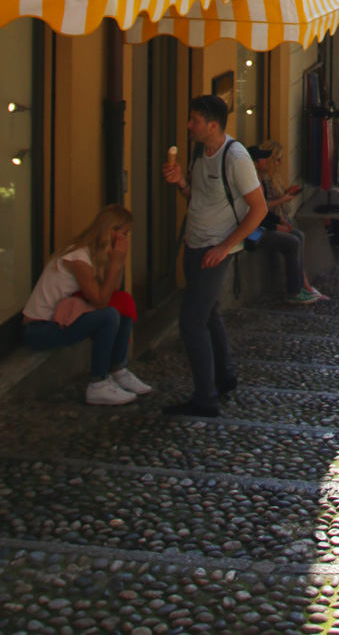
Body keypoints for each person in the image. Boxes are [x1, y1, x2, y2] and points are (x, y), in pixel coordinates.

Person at [162, 94, 268, 418]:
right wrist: (181, 181)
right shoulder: (199, 150)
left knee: (191, 322)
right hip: (194, 244)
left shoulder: (235, 157)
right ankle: (225, 376)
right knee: (209, 314)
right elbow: (198, 196)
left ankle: (205, 398)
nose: (189, 125)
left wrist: (224, 247)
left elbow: (259, 208)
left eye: (194, 120)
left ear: (212, 125)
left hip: (214, 250)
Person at [21, 204, 150, 406]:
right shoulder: (78, 258)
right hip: (38, 330)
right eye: (122, 233)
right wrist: (115, 262)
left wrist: (118, 259)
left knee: (123, 302)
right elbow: (100, 302)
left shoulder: (93, 253)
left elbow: (114, 289)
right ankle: (97, 384)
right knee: (108, 315)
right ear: (110, 231)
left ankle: (118, 370)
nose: (124, 239)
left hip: (57, 320)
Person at [248, 145, 324, 303]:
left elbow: (263, 210)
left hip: (264, 225)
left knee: (299, 235)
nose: (267, 160)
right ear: (254, 163)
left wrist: (280, 221)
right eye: (263, 158)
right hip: (253, 232)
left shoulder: (260, 179)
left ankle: (301, 285)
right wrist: (277, 226)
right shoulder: (251, 183)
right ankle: (294, 291)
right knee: (292, 242)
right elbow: (254, 214)